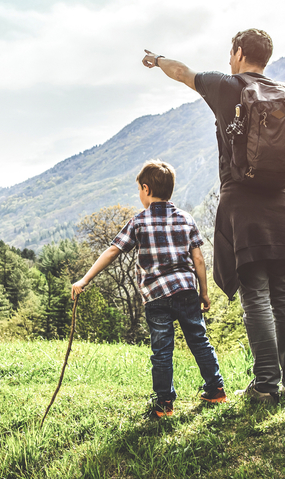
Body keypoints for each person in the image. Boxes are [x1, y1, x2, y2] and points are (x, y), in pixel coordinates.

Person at [142, 29, 285, 402]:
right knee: (284, 294)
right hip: (281, 202)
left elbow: (183, 72)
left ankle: (266, 383)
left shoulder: (226, 86)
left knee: (255, 292)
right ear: (265, 58)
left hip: (241, 203)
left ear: (238, 52)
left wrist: (156, 60)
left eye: (230, 52)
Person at [71, 159, 225, 419]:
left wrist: (84, 279)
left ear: (146, 189)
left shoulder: (139, 221)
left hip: (155, 295)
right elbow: (198, 259)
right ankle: (215, 390)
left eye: (139, 191)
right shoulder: (186, 219)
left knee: (162, 350)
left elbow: (113, 251)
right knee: (199, 340)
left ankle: (164, 404)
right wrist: (204, 291)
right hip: (187, 290)